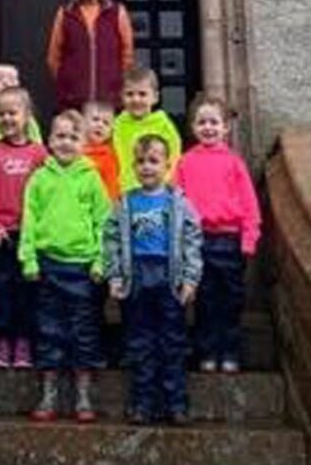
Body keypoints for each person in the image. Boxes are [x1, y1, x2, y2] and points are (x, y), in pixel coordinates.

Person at [19, 108, 112, 422]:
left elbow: (103, 222)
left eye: (74, 137)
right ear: (49, 140)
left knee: (83, 331)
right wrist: (29, 257)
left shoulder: (91, 178)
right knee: (49, 329)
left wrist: (102, 259)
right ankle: (49, 393)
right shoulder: (39, 178)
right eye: (60, 136)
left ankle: (83, 395)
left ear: (84, 142)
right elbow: (29, 220)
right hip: (48, 265)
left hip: (83, 267)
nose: (66, 143)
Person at [103, 133, 202, 425]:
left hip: (169, 277)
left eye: (154, 161)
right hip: (137, 278)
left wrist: (190, 279)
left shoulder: (178, 202)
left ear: (167, 165)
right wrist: (115, 275)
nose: (147, 167)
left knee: (172, 342)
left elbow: (192, 240)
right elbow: (111, 240)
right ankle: (142, 403)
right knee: (140, 342)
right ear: (133, 166)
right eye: (141, 161)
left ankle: (176, 403)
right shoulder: (125, 202)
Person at [175, 95, 262, 373]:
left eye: (214, 122)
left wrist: (249, 238)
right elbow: (178, 202)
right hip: (198, 240)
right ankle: (207, 352)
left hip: (229, 240)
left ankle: (230, 352)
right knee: (205, 301)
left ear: (225, 128)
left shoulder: (234, 163)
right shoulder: (185, 162)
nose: (208, 127)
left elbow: (249, 204)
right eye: (202, 122)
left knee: (231, 301)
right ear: (193, 127)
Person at [0, 86, 46, 368]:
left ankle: (24, 344)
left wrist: (39, 230)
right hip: (2, 235)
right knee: (2, 291)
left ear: (27, 116)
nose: (6, 119)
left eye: (12, 113)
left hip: (28, 237)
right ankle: (2, 342)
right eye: (0, 114)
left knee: (26, 292)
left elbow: (46, 194)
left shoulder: (39, 153)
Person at [45, 0, 135, 111]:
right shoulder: (65, 14)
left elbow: (127, 54)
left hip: (108, 101)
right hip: (73, 102)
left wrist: (117, 84)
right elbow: (53, 57)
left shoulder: (117, 12)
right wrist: (68, 84)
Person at [112, 65, 182, 194]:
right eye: (130, 94)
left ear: (155, 97)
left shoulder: (164, 126)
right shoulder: (115, 126)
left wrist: (164, 186)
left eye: (142, 94)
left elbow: (174, 159)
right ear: (121, 96)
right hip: (123, 193)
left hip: (156, 192)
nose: (136, 99)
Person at [81, 101, 121, 202]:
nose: (100, 125)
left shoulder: (108, 156)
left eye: (106, 123)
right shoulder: (73, 150)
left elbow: (112, 188)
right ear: (83, 122)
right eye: (95, 119)